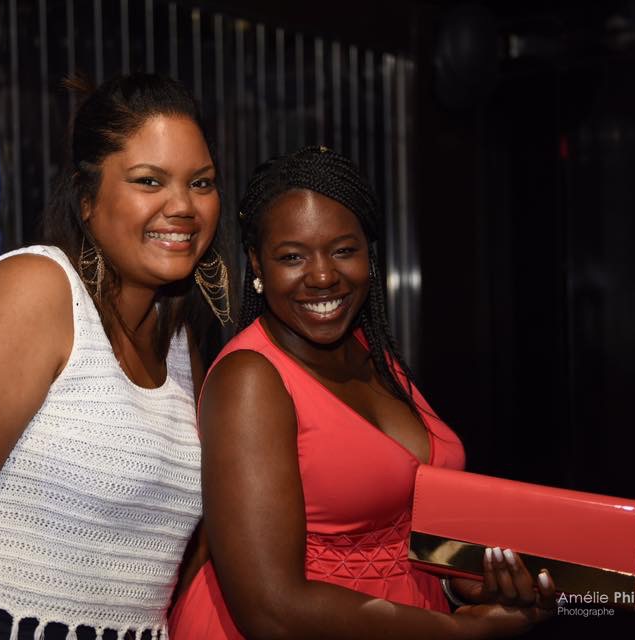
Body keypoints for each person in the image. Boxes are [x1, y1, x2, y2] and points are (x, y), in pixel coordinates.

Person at [0, 73, 232, 640]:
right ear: (87, 199)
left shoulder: (179, 345)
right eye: (149, 181)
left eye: (200, 183)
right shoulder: (35, 294)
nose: (182, 205)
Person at [169, 146, 556, 639]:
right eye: (292, 257)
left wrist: (473, 584)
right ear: (257, 264)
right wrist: (461, 633)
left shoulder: (369, 351)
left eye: (343, 250)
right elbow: (271, 610)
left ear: (368, 256)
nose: (322, 275)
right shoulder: (251, 380)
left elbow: (403, 537)